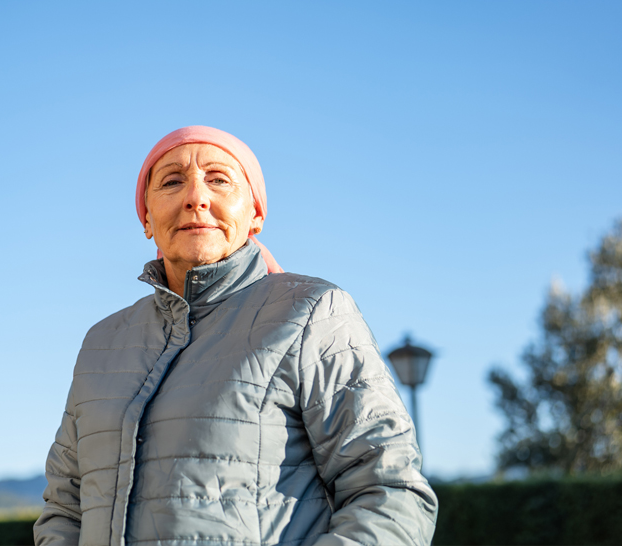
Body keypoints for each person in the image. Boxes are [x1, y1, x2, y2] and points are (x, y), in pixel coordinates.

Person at [34, 126, 438, 546]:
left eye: (219, 179)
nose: (196, 196)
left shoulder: (312, 311)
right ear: (147, 219)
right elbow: (64, 508)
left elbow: (389, 491)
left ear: (256, 214)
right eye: (172, 181)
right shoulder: (102, 342)